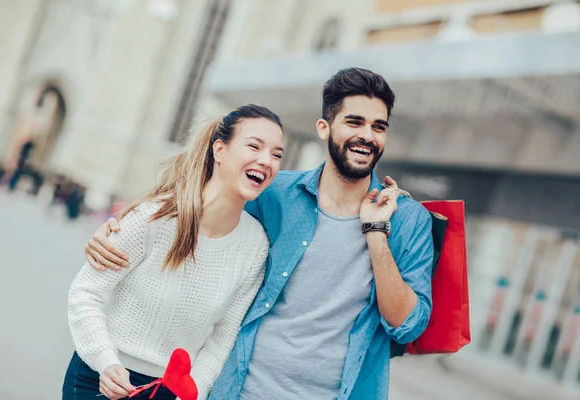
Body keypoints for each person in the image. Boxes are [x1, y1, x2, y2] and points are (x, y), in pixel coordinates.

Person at [83, 68, 434, 400]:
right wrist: (122, 225)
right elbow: (200, 209)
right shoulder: (274, 192)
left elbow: (407, 326)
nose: (367, 136)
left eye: (379, 127)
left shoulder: (407, 220)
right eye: (354, 122)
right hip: (237, 388)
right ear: (324, 128)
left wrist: (376, 232)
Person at [63, 104, 285, 400]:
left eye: (276, 154)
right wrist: (106, 362)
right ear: (220, 150)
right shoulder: (154, 219)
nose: (266, 160)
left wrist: (190, 393)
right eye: (254, 146)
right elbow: (85, 293)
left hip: (170, 392)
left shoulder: (256, 246)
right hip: (100, 380)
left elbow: (222, 338)